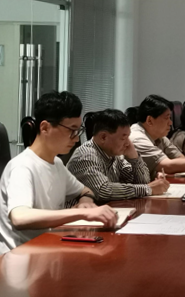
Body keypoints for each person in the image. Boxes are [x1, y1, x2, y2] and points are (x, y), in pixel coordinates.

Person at [0, 92, 117, 253]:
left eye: (78, 130)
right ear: (45, 127)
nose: (76, 139)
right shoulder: (22, 167)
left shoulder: (56, 163)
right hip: (20, 256)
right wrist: (81, 214)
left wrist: (86, 201)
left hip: (49, 249)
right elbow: (20, 217)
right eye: (72, 130)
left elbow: (85, 190)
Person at [67, 109, 170, 202]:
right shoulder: (86, 155)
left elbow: (141, 182)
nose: (128, 143)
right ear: (103, 137)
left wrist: (134, 157)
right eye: (123, 138)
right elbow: (103, 191)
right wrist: (148, 189)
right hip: (78, 215)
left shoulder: (114, 155)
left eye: (128, 137)